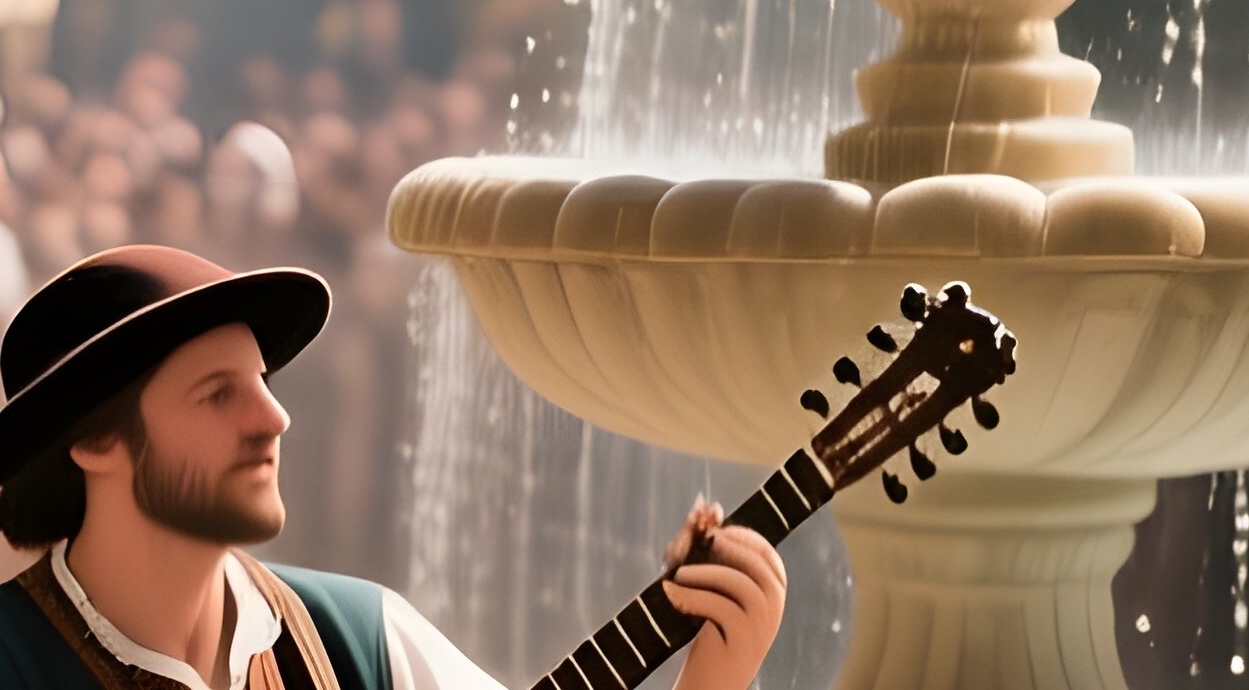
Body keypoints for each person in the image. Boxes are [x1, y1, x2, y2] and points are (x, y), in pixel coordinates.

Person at [0, 246, 786, 689]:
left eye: (262, 386)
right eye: (216, 396)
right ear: (97, 443)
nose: (274, 418)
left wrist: (715, 675)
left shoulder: (363, 640)